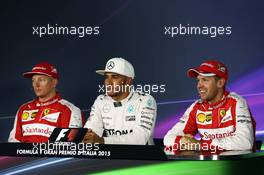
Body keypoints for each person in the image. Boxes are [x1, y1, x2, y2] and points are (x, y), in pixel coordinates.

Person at [164, 60, 255, 151]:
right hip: (208, 163)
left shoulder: (236, 102)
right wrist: (182, 141)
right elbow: (168, 138)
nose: (199, 85)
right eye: (198, 80)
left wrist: (201, 144)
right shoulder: (196, 107)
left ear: (220, 83)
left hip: (238, 164)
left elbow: (245, 142)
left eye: (205, 80)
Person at [83, 57, 157, 145]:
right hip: (108, 157)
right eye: (107, 77)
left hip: (140, 157)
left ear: (129, 81)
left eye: (114, 77)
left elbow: (140, 138)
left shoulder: (145, 100)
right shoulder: (101, 100)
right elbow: (90, 131)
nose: (108, 82)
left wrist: (103, 141)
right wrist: (88, 137)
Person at [8, 62, 83, 143]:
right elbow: (13, 142)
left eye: (41, 80)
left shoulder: (70, 110)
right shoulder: (23, 109)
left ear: (54, 82)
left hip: (52, 155)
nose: (36, 85)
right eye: (33, 80)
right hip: (23, 155)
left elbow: (70, 148)